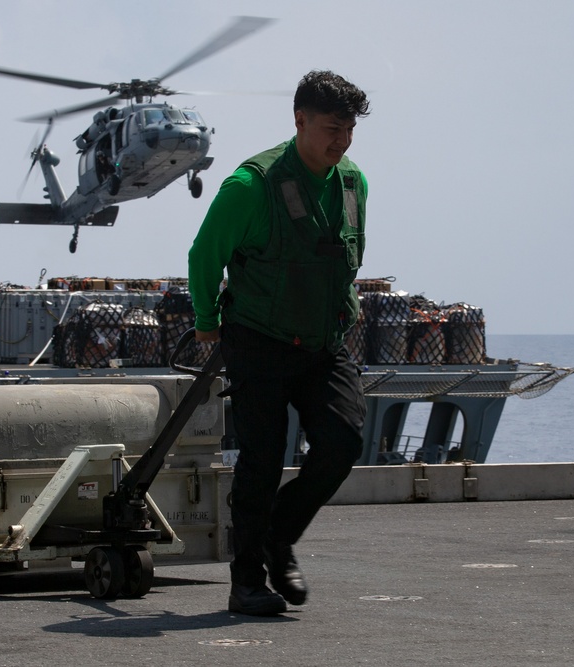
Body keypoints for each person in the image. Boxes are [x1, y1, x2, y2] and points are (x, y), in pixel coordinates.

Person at [187, 70, 371, 616]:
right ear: (300, 121)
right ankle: (247, 582)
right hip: (260, 340)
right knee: (261, 462)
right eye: (333, 128)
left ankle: (278, 536)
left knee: (341, 444)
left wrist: (346, 306)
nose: (342, 141)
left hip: (322, 343)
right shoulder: (252, 186)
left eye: (350, 130)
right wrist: (205, 320)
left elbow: (345, 254)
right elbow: (204, 255)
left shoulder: (353, 181)